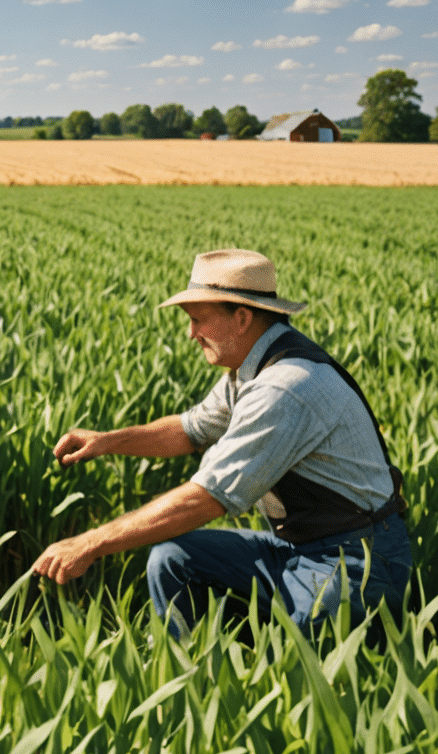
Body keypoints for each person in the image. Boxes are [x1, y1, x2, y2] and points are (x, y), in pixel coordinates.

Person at [32, 249, 412, 636]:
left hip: (355, 559)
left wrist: (91, 543)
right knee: (173, 559)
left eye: (199, 320)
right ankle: (182, 677)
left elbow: (207, 499)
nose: (191, 333)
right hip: (300, 551)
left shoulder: (283, 388)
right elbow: (190, 429)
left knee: (296, 673)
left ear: (242, 318)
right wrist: (107, 441)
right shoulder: (254, 366)